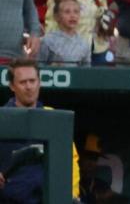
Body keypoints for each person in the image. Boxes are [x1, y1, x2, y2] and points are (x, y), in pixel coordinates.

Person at [0, 60, 81, 202]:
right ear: (12, 86)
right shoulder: (2, 118)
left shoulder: (54, 118)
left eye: (32, 81)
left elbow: (70, 163)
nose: (29, 87)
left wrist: (69, 196)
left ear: (39, 82)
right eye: (23, 82)